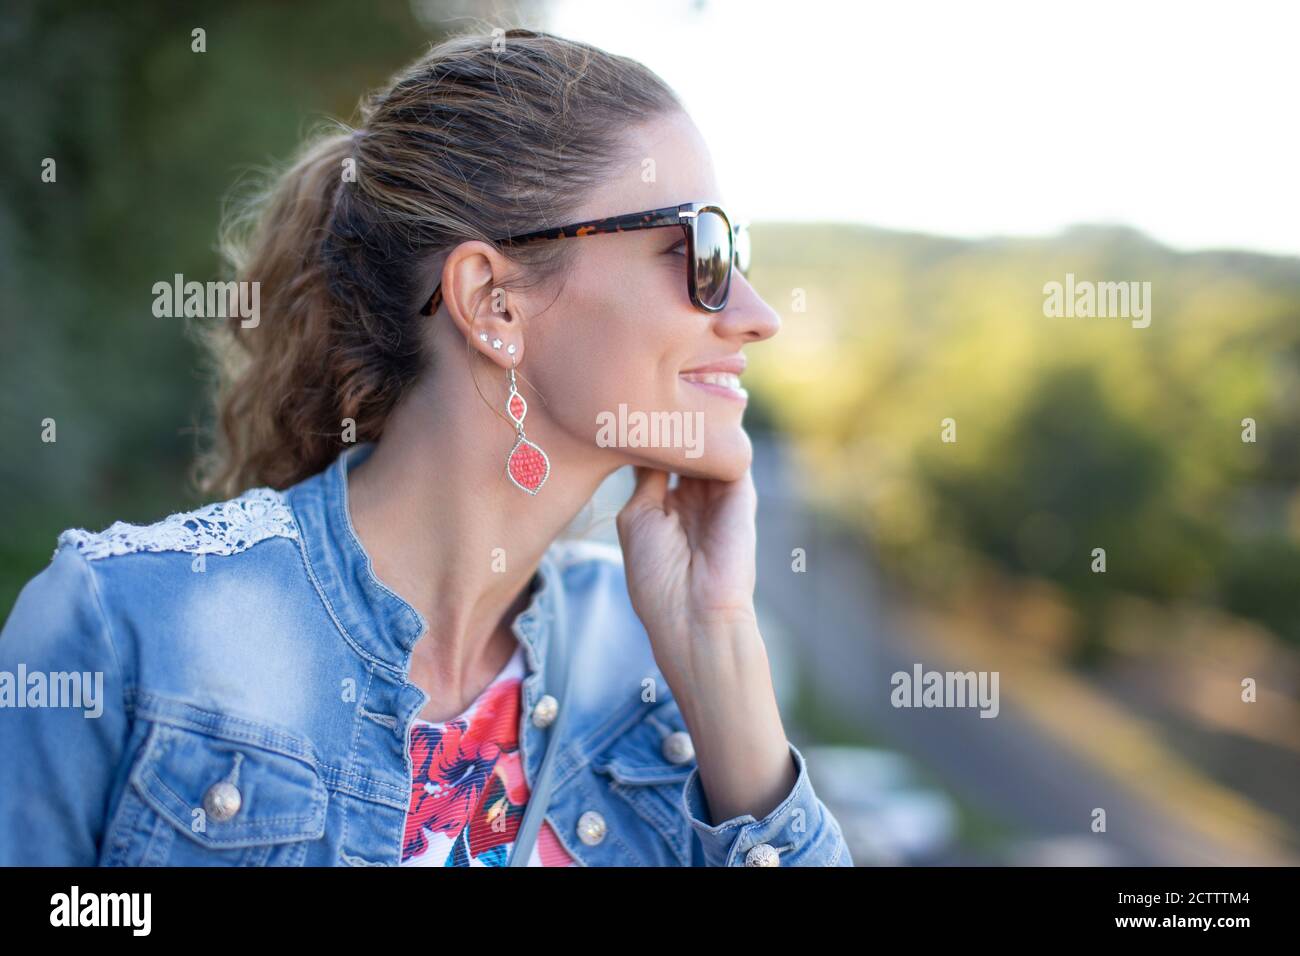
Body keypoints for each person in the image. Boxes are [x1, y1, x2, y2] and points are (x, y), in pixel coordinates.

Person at [0, 28, 851, 867]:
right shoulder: (119, 629)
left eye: (734, 252)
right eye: (697, 249)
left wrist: (717, 651)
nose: (754, 312)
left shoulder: (656, 662)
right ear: (494, 301)